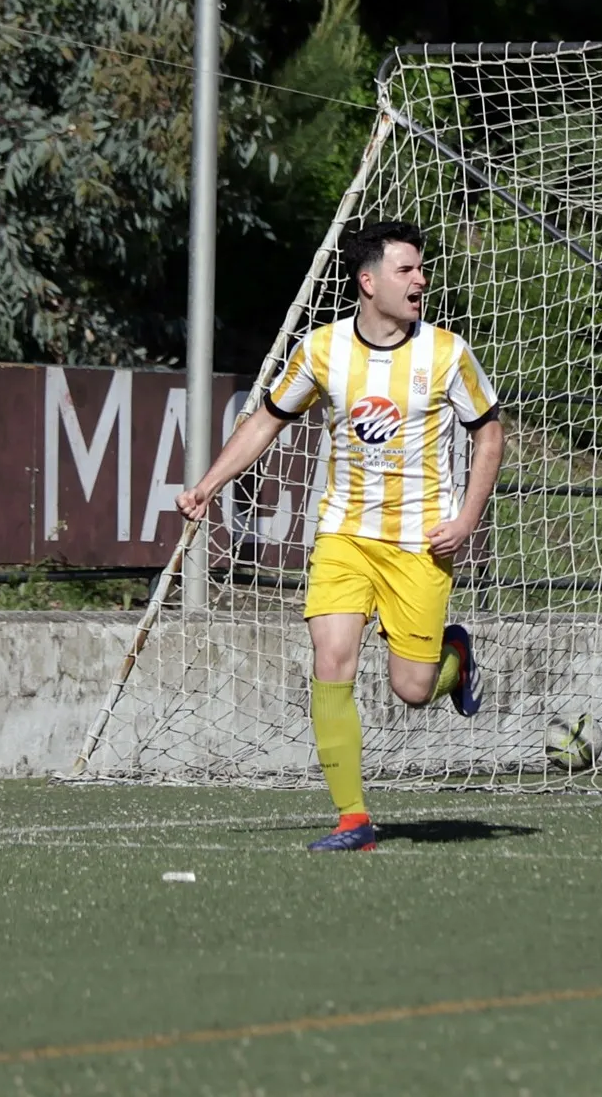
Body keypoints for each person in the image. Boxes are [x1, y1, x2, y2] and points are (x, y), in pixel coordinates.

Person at [177, 221, 503, 850]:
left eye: (421, 269)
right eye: (406, 270)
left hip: (419, 542)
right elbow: (268, 419)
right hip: (343, 535)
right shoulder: (322, 350)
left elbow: (490, 433)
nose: (420, 281)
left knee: (412, 689)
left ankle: (454, 659)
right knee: (332, 660)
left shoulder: (445, 353)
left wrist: (466, 519)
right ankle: (353, 818)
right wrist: (210, 482)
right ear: (368, 281)